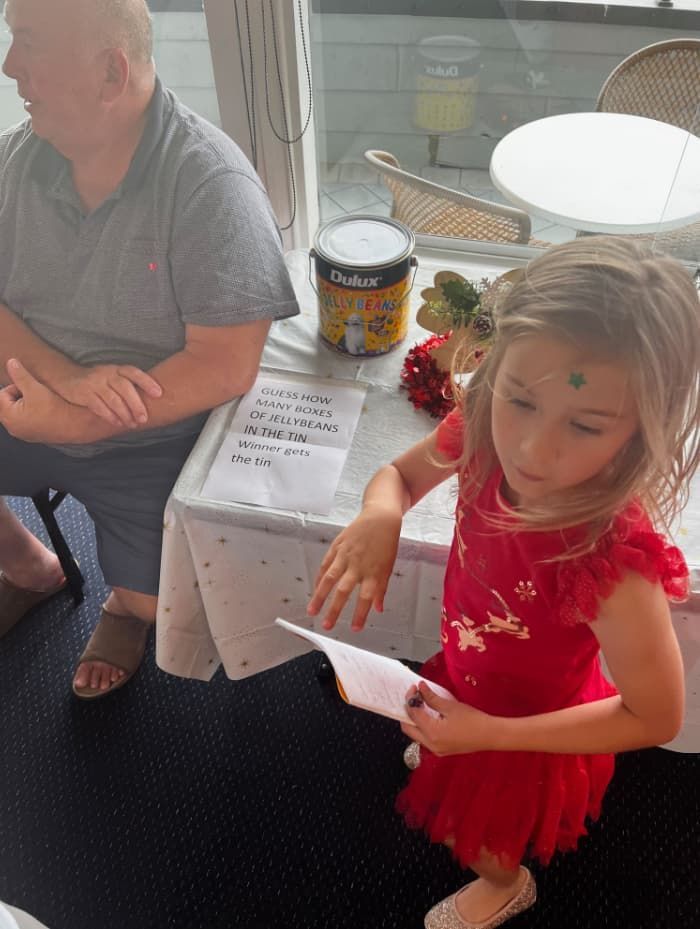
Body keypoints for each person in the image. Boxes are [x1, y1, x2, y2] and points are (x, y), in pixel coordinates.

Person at [307, 236, 699, 928]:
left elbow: (658, 714)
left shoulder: (611, 562)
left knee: (476, 835)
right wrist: (380, 513)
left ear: (642, 430)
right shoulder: (482, 431)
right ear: (496, 371)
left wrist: (487, 732)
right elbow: (399, 474)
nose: (531, 450)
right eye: (520, 400)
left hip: (525, 730)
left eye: (584, 424)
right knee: (444, 760)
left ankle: (507, 881)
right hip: (469, 674)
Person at [0, 0, 298, 698]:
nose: (10, 65)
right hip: (32, 392)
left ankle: (122, 603)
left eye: (28, 44)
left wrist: (80, 421)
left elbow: (227, 363)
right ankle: (29, 567)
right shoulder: (18, 161)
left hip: (151, 437)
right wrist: (67, 382)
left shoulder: (211, 185)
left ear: (111, 71)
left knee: (162, 608)